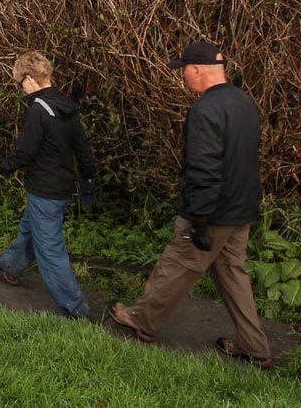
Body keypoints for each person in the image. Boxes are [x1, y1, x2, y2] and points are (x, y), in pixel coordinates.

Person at [110, 41, 273, 369]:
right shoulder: (243, 101)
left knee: (178, 265)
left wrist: (199, 217)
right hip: (242, 208)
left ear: (198, 70)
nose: (182, 76)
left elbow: (205, 167)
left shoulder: (205, 110)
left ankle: (142, 321)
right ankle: (254, 347)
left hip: (213, 210)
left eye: (184, 69)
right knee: (232, 274)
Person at [0, 51, 99, 319]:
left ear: (29, 79)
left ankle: (76, 309)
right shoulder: (65, 104)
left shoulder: (38, 110)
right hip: (60, 185)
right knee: (30, 228)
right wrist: (88, 177)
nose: (20, 89)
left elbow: (25, 153)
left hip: (45, 189)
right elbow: (82, 147)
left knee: (50, 251)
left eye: (19, 83)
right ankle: (11, 265)